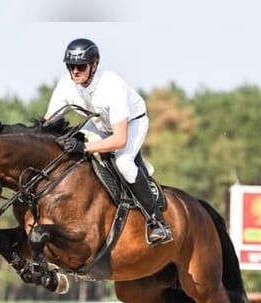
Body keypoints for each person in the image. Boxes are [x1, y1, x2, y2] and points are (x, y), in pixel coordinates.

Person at [44, 38, 173, 246]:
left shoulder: (111, 85)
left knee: (123, 163)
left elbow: (119, 139)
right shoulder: (65, 85)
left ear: (94, 65)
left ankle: (157, 222)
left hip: (131, 125)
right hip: (99, 124)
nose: (75, 71)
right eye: (70, 66)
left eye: (80, 66)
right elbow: (47, 122)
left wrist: (84, 147)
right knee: (66, 147)